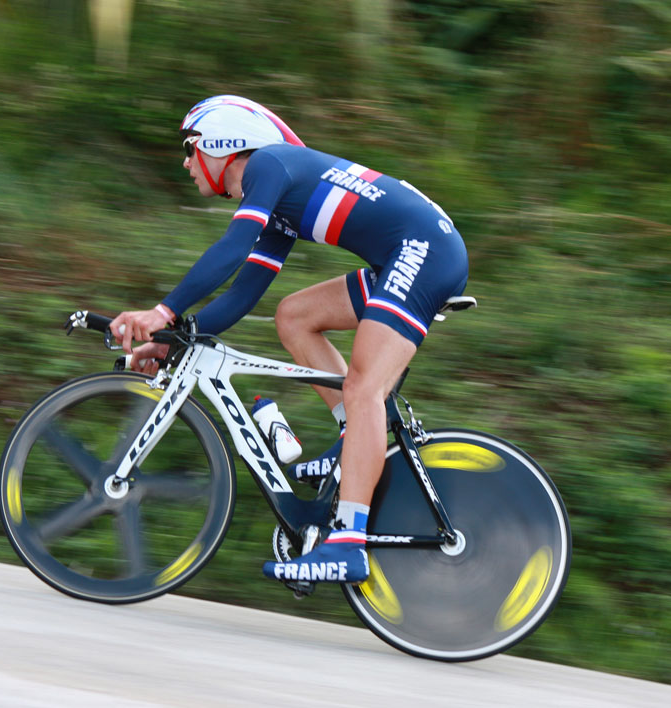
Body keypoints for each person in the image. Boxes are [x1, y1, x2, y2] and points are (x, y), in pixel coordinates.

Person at [110, 95, 468, 584]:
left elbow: (232, 247)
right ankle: (354, 434)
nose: (186, 160)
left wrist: (162, 311)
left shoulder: (270, 166)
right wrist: (174, 342)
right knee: (294, 316)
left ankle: (347, 542)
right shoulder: (277, 202)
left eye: (192, 147)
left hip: (425, 253)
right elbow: (244, 291)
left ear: (223, 143)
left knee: (364, 386)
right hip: (410, 254)